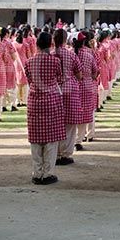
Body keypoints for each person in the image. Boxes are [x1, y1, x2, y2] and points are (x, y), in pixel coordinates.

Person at [24, 32, 65, 185]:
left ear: (37, 44)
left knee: (35, 138)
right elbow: (59, 79)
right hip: (51, 100)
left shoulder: (29, 62)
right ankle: (48, 173)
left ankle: (36, 172)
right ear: (50, 45)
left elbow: (29, 80)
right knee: (51, 138)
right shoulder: (55, 61)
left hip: (34, 101)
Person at [53, 29, 82, 166]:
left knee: (56, 123)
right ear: (66, 40)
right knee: (70, 125)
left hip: (54, 91)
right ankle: (66, 154)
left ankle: (56, 153)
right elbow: (79, 74)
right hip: (70, 90)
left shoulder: (51, 55)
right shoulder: (71, 55)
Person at [74, 31, 99, 149]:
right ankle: (81, 138)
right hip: (88, 86)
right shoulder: (90, 54)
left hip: (72, 87)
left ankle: (74, 139)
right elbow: (96, 71)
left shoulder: (71, 54)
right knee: (88, 112)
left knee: (73, 113)